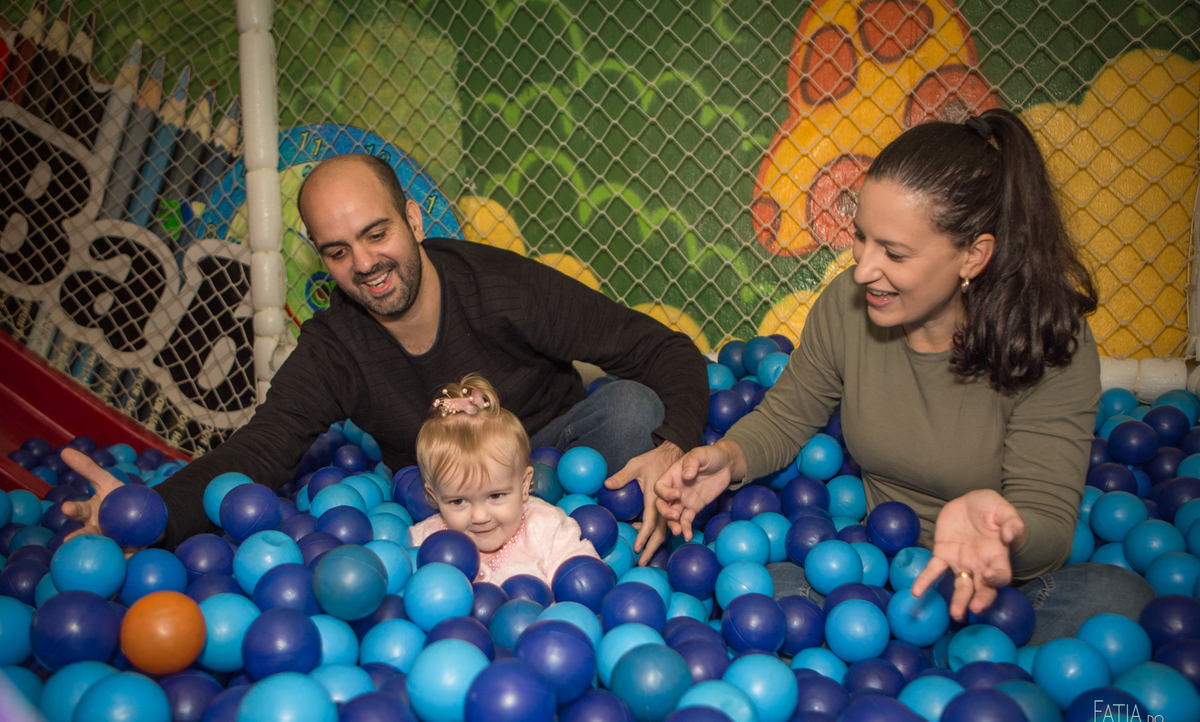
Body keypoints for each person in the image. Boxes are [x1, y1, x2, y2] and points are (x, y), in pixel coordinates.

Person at [654, 109, 1154, 644]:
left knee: (1119, 601)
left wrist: (1002, 530)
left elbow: (1049, 526)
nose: (864, 269)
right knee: (759, 595)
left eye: (894, 253)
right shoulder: (847, 307)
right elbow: (787, 416)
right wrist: (728, 458)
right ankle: (918, 660)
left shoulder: (1050, 342)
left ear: (973, 256)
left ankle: (949, 665)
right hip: (875, 570)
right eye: (861, 237)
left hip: (997, 596)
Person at [62, 153, 708, 563]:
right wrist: (146, 515)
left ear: (413, 220)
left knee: (631, 408)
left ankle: (572, 540)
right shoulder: (335, 348)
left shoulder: (503, 288)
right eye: (338, 251)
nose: (366, 263)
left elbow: (663, 348)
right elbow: (261, 451)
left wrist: (674, 443)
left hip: (558, 462)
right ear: (322, 259)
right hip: (441, 502)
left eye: (377, 234)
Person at [407, 375, 600, 585]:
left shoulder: (544, 528)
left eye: (495, 495)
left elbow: (583, 574)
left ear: (524, 485)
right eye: (458, 501)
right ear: (435, 496)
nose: (480, 517)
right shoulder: (427, 540)